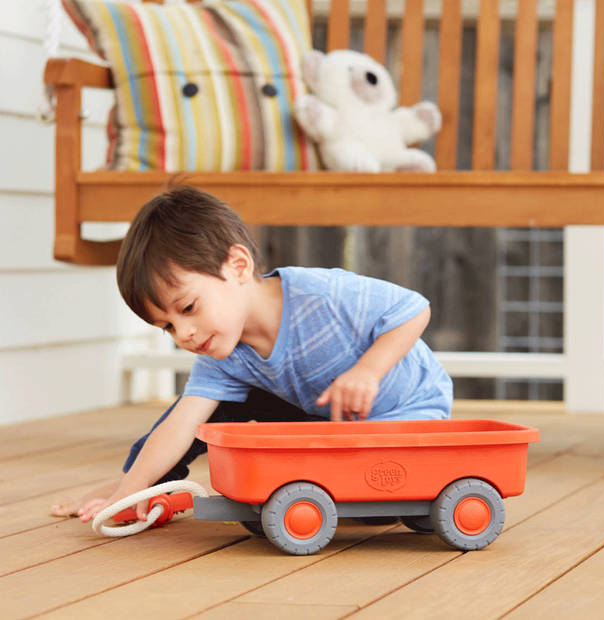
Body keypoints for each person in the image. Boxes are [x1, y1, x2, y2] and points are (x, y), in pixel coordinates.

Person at [51, 186, 452, 522]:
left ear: (238, 266)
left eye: (188, 308)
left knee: (372, 508)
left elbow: (413, 309)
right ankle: (137, 483)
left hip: (407, 412)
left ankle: (137, 483)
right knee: (205, 408)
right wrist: (128, 493)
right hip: (330, 421)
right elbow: (181, 426)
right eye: (168, 327)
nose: (184, 334)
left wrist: (368, 371)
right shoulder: (223, 353)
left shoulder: (322, 294)